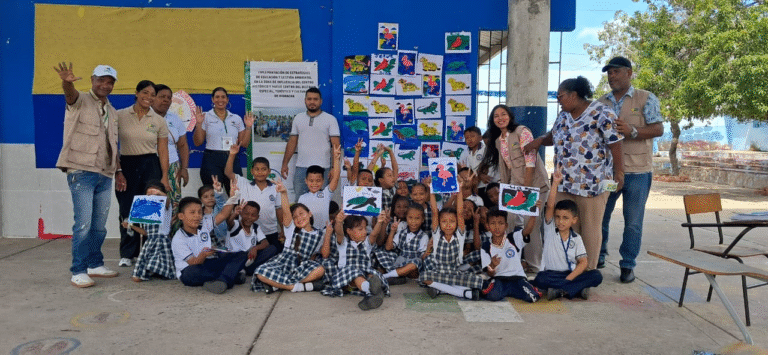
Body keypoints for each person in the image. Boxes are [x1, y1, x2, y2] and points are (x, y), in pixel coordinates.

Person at [526, 76, 624, 270]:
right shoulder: (563, 116)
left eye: (560, 96)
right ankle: (564, 268)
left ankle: (587, 272)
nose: (558, 100)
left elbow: (615, 142)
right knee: (563, 225)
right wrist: (539, 140)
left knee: (589, 229)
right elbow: (553, 137)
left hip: (593, 185)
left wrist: (619, 172)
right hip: (564, 182)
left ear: (574, 95)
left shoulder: (602, 112)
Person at [597, 57, 664, 283]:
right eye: (609, 73)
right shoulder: (600, 103)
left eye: (616, 72)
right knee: (600, 217)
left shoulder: (646, 98)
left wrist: (632, 130)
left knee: (633, 222)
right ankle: (599, 256)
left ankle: (627, 265)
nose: (612, 76)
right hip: (608, 173)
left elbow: (658, 129)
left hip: (638, 172)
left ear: (629, 73)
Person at [54, 63, 120, 287]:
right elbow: (69, 95)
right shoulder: (80, 99)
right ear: (92, 80)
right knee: (83, 223)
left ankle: (95, 263)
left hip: (105, 173)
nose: (105, 85)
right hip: (81, 170)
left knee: (99, 225)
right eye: (101, 80)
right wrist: (66, 82)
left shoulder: (111, 111)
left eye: (110, 82)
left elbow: (113, 145)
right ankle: (79, 269)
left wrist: (116, 171)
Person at [481, 104, 550, 273]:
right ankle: (511, 261)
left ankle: (534, 265)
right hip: (514, 188)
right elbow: (505, 168)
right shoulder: (498, 140)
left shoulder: (522, 131)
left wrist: (526, 190)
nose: (500, 118)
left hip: (533, 187)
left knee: (531, 224)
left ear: (510, 116)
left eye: (503, 114)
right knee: (509, 221)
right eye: (496, 116)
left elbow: (530, 161)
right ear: (492, 121)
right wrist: (505, 192)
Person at [116, 80, 171, 268]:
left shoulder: (158, 120)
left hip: (150, 164)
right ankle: (127, 253)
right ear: (137, 93)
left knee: (147, 211)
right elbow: (111, 145)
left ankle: (147, 252)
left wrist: (164, 176)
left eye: (152, 94)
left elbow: (163, 150)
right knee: (127, 210)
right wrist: (118, 171)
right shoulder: (120, 115)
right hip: (127, 165)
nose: (149, 97)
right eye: (145, 93)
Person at [531, 170, 603, 300]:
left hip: (570, 274)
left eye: (565, 218)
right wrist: (555, 184)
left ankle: (560, 290)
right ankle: (575, 289)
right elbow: (550, 206)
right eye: (558, 217)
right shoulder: (550, 230)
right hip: (551, 274)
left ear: (573, 220)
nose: (560, 221)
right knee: (540, 279)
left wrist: (568, 279)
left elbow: (583, 262)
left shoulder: (576, 238)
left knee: (597, 275)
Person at [252, 180, 327, 293]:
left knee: (320, 270)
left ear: (309, 213)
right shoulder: (291, 230)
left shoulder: (320, 234)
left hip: (303, 265)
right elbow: (286, 212)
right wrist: (284, 193)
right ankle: (300, 287)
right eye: (295, 217)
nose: (299, 218)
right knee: (260, 272)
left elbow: (319, 254)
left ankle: (276, 285)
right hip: (284, 263)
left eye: (301, 214)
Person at [420, 181, 483, 300]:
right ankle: (465, 293)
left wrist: (459, 189)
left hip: (455, 271)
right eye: (444, 221)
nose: (448, 225)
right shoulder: (437, 235)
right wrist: (432, 189)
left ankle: (439, 289)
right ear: (439, 223)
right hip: (438, 271)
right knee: (424, 276)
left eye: (452, 222)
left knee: (477, 280)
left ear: (456, 223)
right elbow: (434, 211)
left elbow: (459, 212)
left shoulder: (460, 235)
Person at [171, 196, 248, 294]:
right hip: (190, 270)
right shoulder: (178, 239)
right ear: (181, 216)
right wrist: (203, 254)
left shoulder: (204, 224)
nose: (197, 216)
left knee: (241, 254)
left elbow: (224, 215)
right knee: (193, 273)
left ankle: (222, 280)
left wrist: (233, 197)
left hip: (208, 263)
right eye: (192, 212)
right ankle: (231, 276)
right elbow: (193, 262)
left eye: (200, 212)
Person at [281, 87, 341, 198]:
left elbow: (335, 146)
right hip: (301, 167)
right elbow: (292, 142)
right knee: (300, 201)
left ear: (320, 101)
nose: (312, 102)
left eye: (315, 99)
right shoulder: (298, 118)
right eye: (309, 99)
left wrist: (334, 168)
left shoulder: (330, 119)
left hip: (324, 168)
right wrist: (285, 164)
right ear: (305, 100)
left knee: (322, 201)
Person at [193, 87, 254, 194]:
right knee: (214, 194)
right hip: (212, 160)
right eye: (217, 97)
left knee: (237, 194)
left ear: (227, 99)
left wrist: (248, 127)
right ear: (212, 99)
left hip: (232, 158)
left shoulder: (236, 118)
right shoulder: (205, 117)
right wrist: (198, 124)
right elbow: (198, 142)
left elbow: (244, 144)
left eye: (223, 97)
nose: (220, 100)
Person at [322, 212, 388, 311]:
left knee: (372, 275)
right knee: (356, 274)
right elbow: (339, 232)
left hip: (364, 272)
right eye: (360, 229)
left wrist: (379, 222)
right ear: (349, 231)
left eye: (365, 228)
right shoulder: (343, 243)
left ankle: (371, 293)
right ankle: (370, 291)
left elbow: (374, 234)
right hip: (347, 274)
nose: (365, 232)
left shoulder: (366, 243)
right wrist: (339, 222)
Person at [226, 146, 284, 253]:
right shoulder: (244, 184)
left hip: (270, 231)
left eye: (263, 169)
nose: (260, 172)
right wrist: (232, 154)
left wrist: (283, 229)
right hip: (248, 232)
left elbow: (279, 210)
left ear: (269, 171)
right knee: (251, 256)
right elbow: (228, 173)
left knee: (273, 253)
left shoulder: (275, 188)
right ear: (252, 171)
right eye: (256, 169)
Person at [480, 208, 541, 302]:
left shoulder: (513, 238)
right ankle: (505, 290)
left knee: (532, 298)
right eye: (493, 223)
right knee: (493, 296)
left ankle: (528, 284)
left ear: (506, 225)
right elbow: (489, 273)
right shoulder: (486, 246)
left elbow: (527, 230)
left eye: (500, 223)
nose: (497, 227)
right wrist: (493, 265)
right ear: (487, 226)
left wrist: (533, 214)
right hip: (499, 279)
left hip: (517, 278)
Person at [125, 181, 175, 282]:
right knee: (136, 277)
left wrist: (159, 194)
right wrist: (131, 226)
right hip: (150, 243)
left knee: (157, 263)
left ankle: (156, 270)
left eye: (156, 194)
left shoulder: (166, 206)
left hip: (162, 242)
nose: (152, 197)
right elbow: (146, 233)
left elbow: (168, 200)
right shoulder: (146, 211)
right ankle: (153, 271)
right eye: (149, 195)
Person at [151, 84, 190, 215]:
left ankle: (173, 234)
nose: (166, 100)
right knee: (151, 202)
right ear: (153, 97)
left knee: (174, 204)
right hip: (150, 164)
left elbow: (183, 145)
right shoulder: (145, 116)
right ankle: (151, 235)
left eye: (169, 97)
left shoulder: (174, 119)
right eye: (162, 96)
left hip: (173, 166)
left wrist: (184, 168)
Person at [218, 200, 279, 276]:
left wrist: (255, 248)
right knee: (240, 255)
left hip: (248, 260)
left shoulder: (256, 227)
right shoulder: (236, 224)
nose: (249, 217)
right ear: (241, 213)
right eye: (246, 214)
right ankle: (241, 271)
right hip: (234, 257)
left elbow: (265, 243)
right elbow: (229, 221)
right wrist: (234, 213)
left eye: (253, 215)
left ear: (257, 217)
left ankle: (246, 270)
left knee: (272, 248)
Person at [375, 203, 430, 285]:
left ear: (422, 219)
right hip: (400, 261)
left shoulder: (424, 236)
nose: (413, 221)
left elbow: (422, 257)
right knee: (380, 252)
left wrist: (428, 251)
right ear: (406, 218)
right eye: (410, 218)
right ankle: (397, 276)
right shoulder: (401, 233)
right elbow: (388, 247)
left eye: (417, 218)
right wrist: (393, 231)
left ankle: (385, 276)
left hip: (413, 267)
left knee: (415, 263)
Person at [297, 145, 342, 230]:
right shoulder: (302, 198)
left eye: (318, 180)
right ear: (306, 181)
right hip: (309, 233)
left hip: (325, 232)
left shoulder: (326, 193)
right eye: (311, 180)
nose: (314, 183)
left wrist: (336, 159)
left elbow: (336, 178)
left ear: (323, 181)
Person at [459, 126, 497, 198]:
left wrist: (480, 177)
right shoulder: (464, 153)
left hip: (487, 186)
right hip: (471, 187)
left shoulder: (487, 150)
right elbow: (463, 170)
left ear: (480, 138)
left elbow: (489, 171)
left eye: (472, 136)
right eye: (467, 138)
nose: (469, 139)